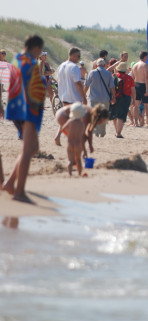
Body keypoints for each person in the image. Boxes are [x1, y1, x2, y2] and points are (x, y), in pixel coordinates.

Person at [2, 35, 46, 203]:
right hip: (27, 110)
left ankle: (10, 183)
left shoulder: (17, 59)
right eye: (40, 50)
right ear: (35, 48)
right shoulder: (29, 63)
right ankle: (19, 192)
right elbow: (30, 89)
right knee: (29, 150)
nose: (40, 53)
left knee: (32, 148)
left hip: (18, 108)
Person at [55, 47, 86, 145]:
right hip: (74, 97)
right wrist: (84, 98)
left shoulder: (61, 66)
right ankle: (75, 140)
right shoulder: (74, 67)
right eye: (78, 56)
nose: (78, 58)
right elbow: (78, 84)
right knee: (75, 121)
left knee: (66, 119)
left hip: (64, 96)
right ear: (72, 55)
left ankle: (58, 136)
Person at [84, 58, 115, 137]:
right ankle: (102, 132)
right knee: (104, 116)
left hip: (94, 98)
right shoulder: (108, 73)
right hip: (105, 98)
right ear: (104, 65)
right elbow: (112, 87)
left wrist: (83, 94)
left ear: (97, 65)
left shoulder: (92, 73)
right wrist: (114, 97)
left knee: (94, 115)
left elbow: (86, 85)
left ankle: (96, 131)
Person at [61, 103, 88, 177]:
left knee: (70, 161)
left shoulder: (70, 121)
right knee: (78, 160)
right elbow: (82, 136)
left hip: (70, 143)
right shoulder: (82, 124)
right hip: (78, 145)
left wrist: (68, 133)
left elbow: (62, 129)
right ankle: (79, 173)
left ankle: (70, 174)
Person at [111, 62, 134, 138]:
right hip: (126, 97)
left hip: (115, 96)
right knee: (121, 116)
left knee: (115, 115)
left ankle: (116, 131)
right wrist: (134, 99)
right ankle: (118, 133)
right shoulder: (129, 78)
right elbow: (133, 89)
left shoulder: (114, 76)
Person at [131, 51, 148, 127]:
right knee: (147, 104)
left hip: (136, 84)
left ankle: (136, 122)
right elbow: (147, 77)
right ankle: (145, 121)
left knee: (136, 105)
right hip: (142, 85)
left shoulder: (134, 65)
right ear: (145, 57)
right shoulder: (144, 65)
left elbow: (132, 77)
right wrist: (147, 89)